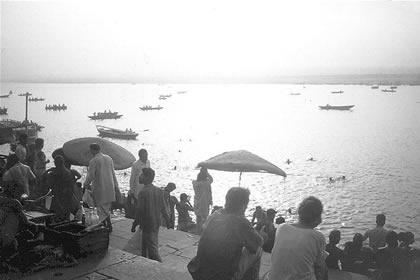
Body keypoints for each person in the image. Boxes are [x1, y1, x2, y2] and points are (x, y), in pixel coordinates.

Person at [188, 187, 263, 280]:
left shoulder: (215, 215)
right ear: (243, 205)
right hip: (222, 276)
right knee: (258, 250)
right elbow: (258, 243)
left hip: (200, 270)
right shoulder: (240, 222)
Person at [270, 196, 328, 280]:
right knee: (323, 266)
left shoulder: (282, 227)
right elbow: (319, 267)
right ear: (317, 217)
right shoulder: (318, 237)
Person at [131, 168, 169, 262]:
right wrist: (168, 220)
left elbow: (140, 210)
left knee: (152, 249)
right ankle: (146, 263)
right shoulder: (159, 191)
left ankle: (161, 267)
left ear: (147, 177)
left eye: (142, 175)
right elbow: (163, 208)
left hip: (147, 223)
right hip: (156, 222)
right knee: (146, 245)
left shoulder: (143, 193)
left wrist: (134, 224)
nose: (140, 176)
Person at [83, 143, 118, 231]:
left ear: (93, 150)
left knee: (102, 210)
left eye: (91, 150)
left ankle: (106, 227)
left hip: (100, 188)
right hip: (110, 187)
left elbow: (90, 176)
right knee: (105, 209)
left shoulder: (94, 161)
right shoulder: (109, 158)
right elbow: (113, 174)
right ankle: (108, 225)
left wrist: (85, 185)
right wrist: (116, 186)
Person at [46, 156, 79, 221]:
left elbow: (49, 185)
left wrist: (48, 170)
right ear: (63, 162)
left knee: (56, 215)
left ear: (55, 163)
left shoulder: (53, 174)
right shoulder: (70, 172)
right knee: (66, 215)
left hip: (58, 197)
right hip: (68, 197)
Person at [192, 167, 213, 234]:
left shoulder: (194, 183)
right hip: (204, 202)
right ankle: (202, 233)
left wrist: (203, 172)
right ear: (205, 176)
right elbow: (211, 179)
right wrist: (207, 173)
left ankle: (198, 231)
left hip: (197, 201)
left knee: (198, 218)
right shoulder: (206, 183)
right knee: (204, 218)